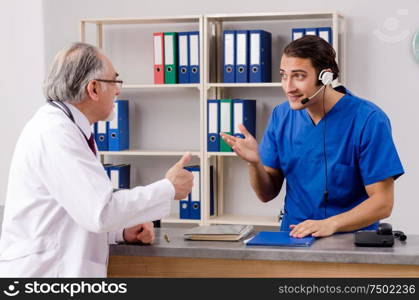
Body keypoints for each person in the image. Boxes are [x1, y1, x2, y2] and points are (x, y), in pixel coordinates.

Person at [0, 42, 194, 277]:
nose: (118, 91)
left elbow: (77, 210)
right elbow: (99, 212)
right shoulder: (55, 133)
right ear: (93, 88)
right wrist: (168, 188)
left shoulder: (68, 128)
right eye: (114, 81)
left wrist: (120, 232)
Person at [221, 35, 404, 238]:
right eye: (283, 75)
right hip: (295, 237)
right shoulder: (281, 116)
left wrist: (331, 224)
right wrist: (254, 163)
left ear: (325, 76)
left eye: (299, 76)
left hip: (352, 242)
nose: (288, 87)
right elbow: (266, 194)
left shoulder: (368, 119)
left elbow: (382, 203)